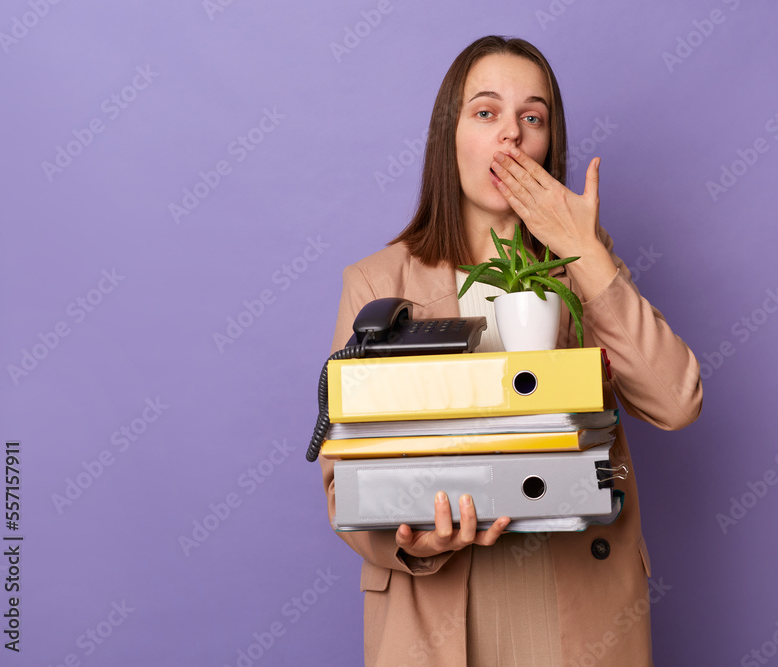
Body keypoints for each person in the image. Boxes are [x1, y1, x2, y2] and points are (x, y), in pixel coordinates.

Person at [320, 35, 703, 666]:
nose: (512, 137)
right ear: (450, 135)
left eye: (532, 117)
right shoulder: (377, 283)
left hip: (580, 605)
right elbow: (344, 489)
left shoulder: (585, 261)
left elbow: (675, 400)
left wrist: (584, 253)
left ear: (549, 142)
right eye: (486, 112)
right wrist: (417, 542)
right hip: (442, 614)